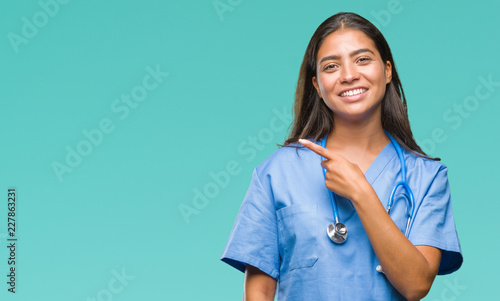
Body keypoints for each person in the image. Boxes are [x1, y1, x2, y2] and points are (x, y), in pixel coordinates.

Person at [221, 12, 462, 301]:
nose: (348, 76)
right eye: (331, 66)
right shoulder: (276, 173)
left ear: (387, 71)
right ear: (317, 86)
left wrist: (361, 192)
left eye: (362, 60)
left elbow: (416, 285)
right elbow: (259, 291)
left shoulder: (427, 178)